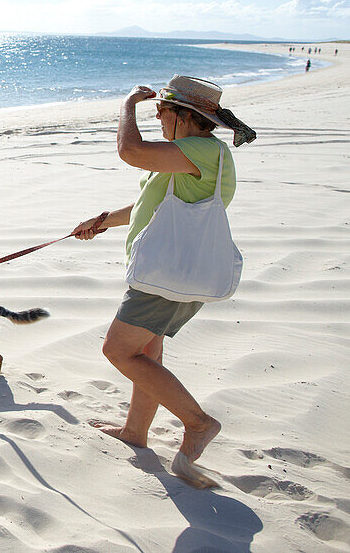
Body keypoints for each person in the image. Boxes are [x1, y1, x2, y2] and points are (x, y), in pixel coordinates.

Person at [71, 75, 255, 486]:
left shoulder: (204, 150)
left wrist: (128, 104)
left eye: (161, 110)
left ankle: (198, 423)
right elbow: (148, 202)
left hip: (166, 277)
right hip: (174, 274)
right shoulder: (191, 153)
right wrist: (103, 223)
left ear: (185, 116)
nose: (157, 115)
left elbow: (129, 150)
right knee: (148, 355)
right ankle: (136, 432)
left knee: (118, 350)